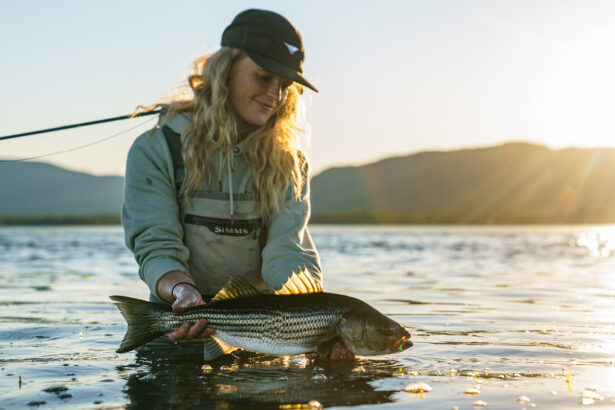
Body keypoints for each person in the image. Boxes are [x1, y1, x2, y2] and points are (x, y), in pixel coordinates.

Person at [122, 9, 353, 360]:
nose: (275, 94)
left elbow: (287, 249)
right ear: (224, 69)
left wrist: (314, 325)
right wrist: (182, 291)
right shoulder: (155, 149)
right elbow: (155, 244)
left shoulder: (290, 162)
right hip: (174, 324)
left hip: (261, 335)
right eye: (263, 77)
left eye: (285, 85)